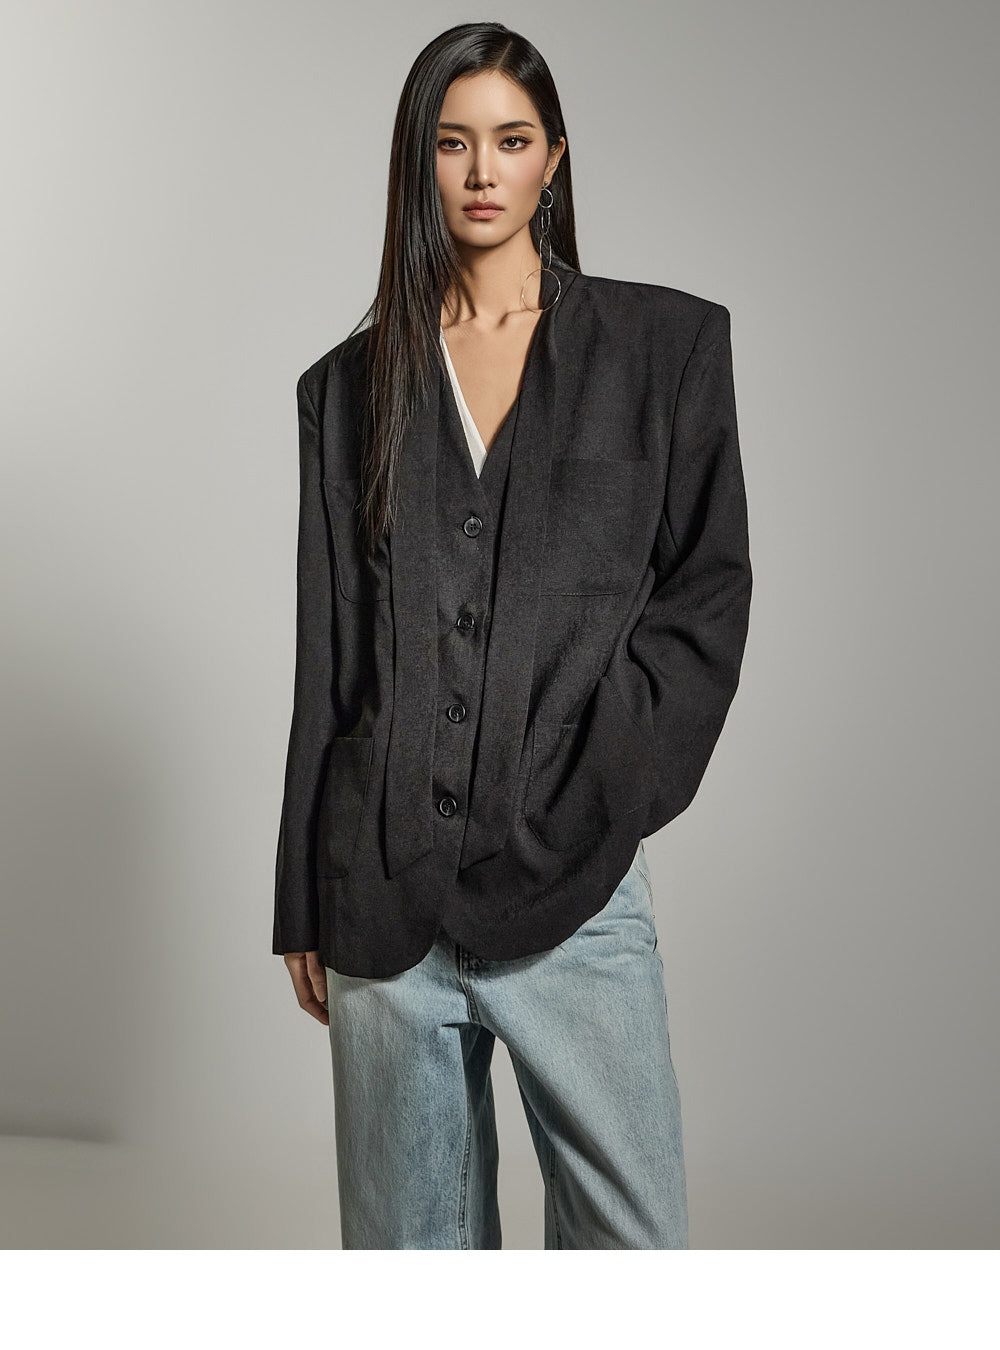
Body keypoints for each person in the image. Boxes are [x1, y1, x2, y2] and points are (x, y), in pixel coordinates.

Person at [273, 21, 752, 1249]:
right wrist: (302, 899)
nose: (482, 171)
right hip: (382, 901)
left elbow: (705, 597)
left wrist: (604, 785)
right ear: (418, 164)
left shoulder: (662, 350)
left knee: (631, 1255)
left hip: (576, 890)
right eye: (452, 143)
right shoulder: (346, 390)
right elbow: (330, 659)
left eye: (511, 139)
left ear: (554, 159)